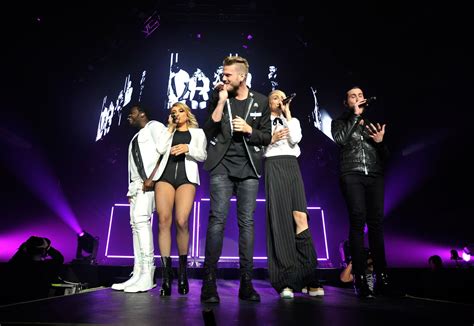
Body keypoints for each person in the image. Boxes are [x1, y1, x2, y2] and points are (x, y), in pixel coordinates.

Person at [201, 55, 272, 303]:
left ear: (241, 76)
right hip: (222, 165)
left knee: (247, 224)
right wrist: (220, 102)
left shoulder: (261, 101)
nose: (223, 78)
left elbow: (267, 136)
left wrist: (250, 130)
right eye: (223, 74)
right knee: (217, 220)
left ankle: (246, 283)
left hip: (249, 167)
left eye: (228, 75)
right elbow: (208, 129)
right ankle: (209, 284)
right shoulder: (219, 95)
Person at [331, 86, 390, 298]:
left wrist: (381, 144)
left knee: (376, 223)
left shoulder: (372, 123)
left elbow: (385, 156)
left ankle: (383, 280)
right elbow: (340, 139)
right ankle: (361, 280)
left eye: (360, 95)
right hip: (351, 172)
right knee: (358, 220)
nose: (358, 98)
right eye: (352, 96)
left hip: (374, 174)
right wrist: (355, 117)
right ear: (346, 103)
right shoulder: (339, 122)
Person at [264, 89, 324, 299]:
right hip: (273, 165)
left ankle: (309, 275)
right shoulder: (263, 122)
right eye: (275, 97)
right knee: (280, 222)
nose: (279, 100)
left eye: (282, 97)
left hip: (291, 165)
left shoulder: (293, 120)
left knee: (300, 218)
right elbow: (258, 146)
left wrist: (287, 114)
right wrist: (270, 139)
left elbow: (296, 139)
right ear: (268, 102)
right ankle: (287, 279)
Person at [152, 102, 207, 296]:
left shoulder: (198, 133)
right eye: (173, 112)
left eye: (180, 111)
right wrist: (170, 128)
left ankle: (183, 273)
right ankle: (166, 278)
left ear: (187, 113)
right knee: (163, 221)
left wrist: (187, 148)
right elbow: (159, 149)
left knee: (182, 221)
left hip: (186, 178)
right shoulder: (167, 131)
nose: (176, 114)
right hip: (165, 177)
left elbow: (203, 155)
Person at [111, 104, 165, 293]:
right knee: (136, 226)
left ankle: (148, 274)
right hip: (135, 187)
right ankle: (138, 273)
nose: (128, 116)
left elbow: (165, 150)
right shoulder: (136, 136)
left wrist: (153, 178)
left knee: (141, 223)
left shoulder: (155, 126)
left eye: (131, 113)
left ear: (142, 113)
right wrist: (131, 190)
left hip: (147, 183)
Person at [4, 236, 64, 303]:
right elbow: (59, 259)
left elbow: (14, 260)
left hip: (14, 306)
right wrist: (48, 248)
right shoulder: (46, 266)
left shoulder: (16, 265)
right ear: (44, 252)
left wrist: (25, 246)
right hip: (38, 306)